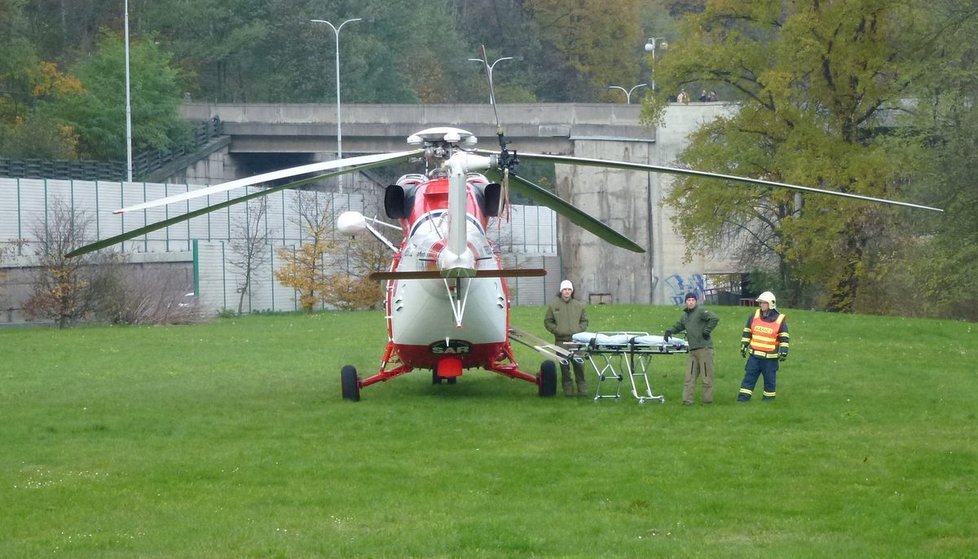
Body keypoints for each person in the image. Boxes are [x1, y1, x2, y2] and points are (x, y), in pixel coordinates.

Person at [664, 292, 719, 405]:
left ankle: (707, 402)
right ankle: (687, 401)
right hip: (693, 350)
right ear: (685, 302)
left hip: (704, 349)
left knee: (706, 377)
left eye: (693, 300)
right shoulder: (685, 316)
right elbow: (679, 326)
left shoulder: (701, 311)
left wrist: (707, 331)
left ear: (696, 301)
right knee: (689, 376)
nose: (690, 302)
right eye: (688, 300)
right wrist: (670, 331)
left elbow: (714, 318)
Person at [737, 291, 790, 402]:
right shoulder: (754, 316)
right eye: (760, 303)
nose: (761, 305)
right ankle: (742, 400)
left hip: (770, 359)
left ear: (771, 304)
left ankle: (768, 402)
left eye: (764, 303)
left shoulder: (780, 319)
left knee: (770, 382)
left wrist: (784, 350)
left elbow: (784, 337)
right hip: (754, 356)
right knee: (748, 379)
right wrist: (744, 344)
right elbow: (747, 332)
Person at [545, 280, 589, 396]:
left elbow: (584, 321)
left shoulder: (578, 305)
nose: (567, 292)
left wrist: (578, 331)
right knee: (564, 367)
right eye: (565, 289)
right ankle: (568, 391)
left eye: (569, 289)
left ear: (572, 291)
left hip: (576, 342)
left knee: (579, 365)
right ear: (561, 291)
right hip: (561, 341)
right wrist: (557, 330)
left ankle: (582, 390)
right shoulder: (553, 305)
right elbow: (548, 322)